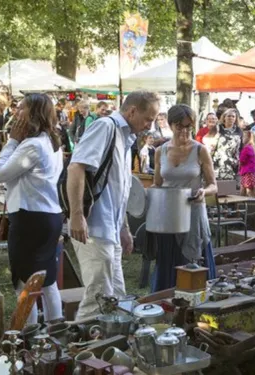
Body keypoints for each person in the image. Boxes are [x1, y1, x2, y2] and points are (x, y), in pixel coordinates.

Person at [67, 90, 160, 320]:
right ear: (132, 111)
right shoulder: (105, 127)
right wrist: (77, 215)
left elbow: (118, 190)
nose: (150, 125)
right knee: (97, 300)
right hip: (94, 228)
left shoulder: (125, 137)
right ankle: (84, 351)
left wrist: (124, 227)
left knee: (116, 299)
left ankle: (109, 348)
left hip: (110, 228)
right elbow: (75, 168)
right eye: (148, 118)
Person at [0, 93, 64, 324]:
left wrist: (12, 141)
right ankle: (56, 331)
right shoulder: (53, 142)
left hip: (30, 218)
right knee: (48, 280)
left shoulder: (32, 145)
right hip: (48, 215)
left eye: (21, 108)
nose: (16, 112)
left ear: (33, 114)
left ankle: (30, 337)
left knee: (26, 283)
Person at [152, 104, 217, 291]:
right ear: (171, 125)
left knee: (193, 262)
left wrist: (204, 192)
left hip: (193, 214)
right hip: (168, 216)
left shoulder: (200, 150)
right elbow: (157, 184)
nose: (185, 131)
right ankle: (166, 300)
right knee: (168, 262)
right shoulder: (160, 151)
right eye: (180, 126)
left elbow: (213, 185)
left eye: (189, 126)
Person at [212, 108, 242, 180]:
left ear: (235, 119)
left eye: (233, 116)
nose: (231, 118)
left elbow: (241, 146)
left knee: (231, 185)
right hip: (219, 161)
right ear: (224, 117)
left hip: (233, 161)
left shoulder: (239, 130)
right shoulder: (217, 128)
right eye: (229, 116)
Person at [239, 128, 255, 197]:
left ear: (248, 138)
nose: (242, 139)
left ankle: (247, 204)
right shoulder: (253, 147)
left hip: (247, 172)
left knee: (248, 191)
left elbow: (242, 160)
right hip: (253, 172)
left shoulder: (246, 148)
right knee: (249, 190)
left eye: (243, 137)